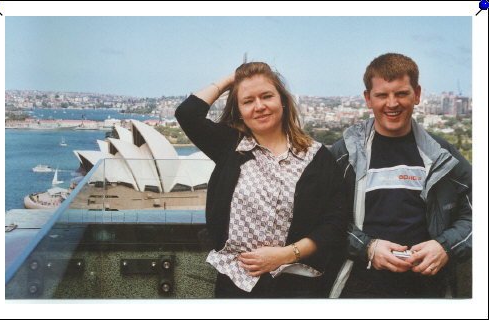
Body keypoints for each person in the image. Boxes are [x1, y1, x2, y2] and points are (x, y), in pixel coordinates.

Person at [175, 62, 349, 298]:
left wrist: (286, 254)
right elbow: (187, 113)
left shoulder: (316, 157)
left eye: (267, 96)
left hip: (296, 285)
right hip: (236, 284)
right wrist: (233, 79)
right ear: (239, 110)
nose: (259, 106)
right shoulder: (230, 147)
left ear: (283, 101)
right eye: (248, 101)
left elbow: (334, 224)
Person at [329, 53, 472, 298]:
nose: (392, 103)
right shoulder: (345, 154)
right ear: (368, 99)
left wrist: (445, 246)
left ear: (417, 95)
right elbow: (322, 220)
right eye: (382, 95)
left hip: (427, 287)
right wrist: (367, 248)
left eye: (401, 93)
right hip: (359, 286)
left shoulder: (442, 155)